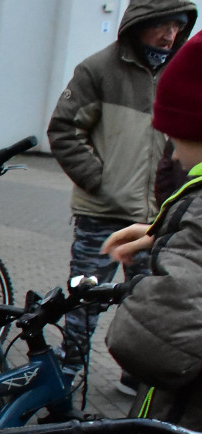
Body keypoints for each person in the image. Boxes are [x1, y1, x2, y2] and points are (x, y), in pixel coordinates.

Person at [95, 29, 202, 434]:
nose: (170, 146)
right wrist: (167, 233)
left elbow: (148, 342)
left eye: (177, 131)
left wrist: (148, 272)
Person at [47, 0, 196, 394]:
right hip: (103, 215)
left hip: (158, 218)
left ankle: (137, 376)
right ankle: (68, 372)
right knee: (85, 299)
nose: (169, 35)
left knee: (147, 303)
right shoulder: (98, 69)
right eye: (161, 25)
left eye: (177, 26)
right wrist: (100, 180)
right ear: (139, 22)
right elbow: (63, 129)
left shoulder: (181, 73)